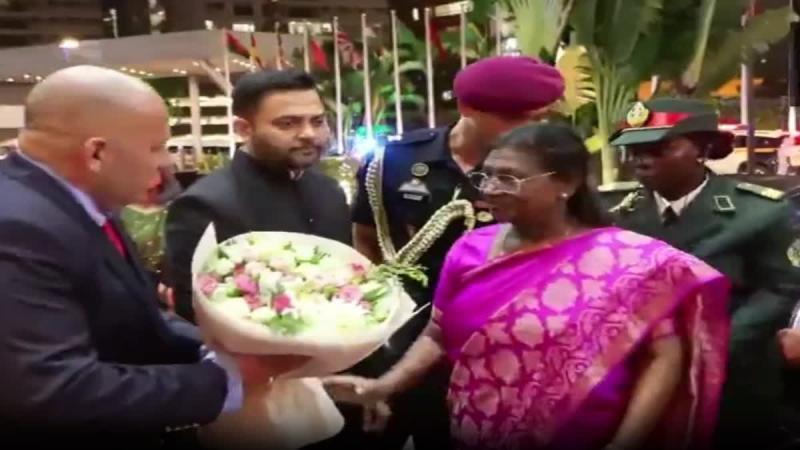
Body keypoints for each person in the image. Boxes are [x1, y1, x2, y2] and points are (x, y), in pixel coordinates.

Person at [326, 123, 731, 450]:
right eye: (487, 175)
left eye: (509, 178)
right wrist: (383, 386)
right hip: (471, 431)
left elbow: (663, 357)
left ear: (566, 183)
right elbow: (437, 332)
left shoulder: (629, 260)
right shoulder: (470, 247)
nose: (489, 188)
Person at [0, 65, 307, 448]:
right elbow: (51, 387)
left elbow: (133, 312)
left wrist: (216, 347)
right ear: (96, 152)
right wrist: (226, 380)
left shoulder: (78, 203)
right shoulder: (19, 226)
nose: (168, 163)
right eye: (156, 147)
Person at [349, 55, 566, 450]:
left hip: (491, 340)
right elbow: (365, 237)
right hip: (400, 331)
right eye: (515, 118)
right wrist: (377, 308)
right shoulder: (395, 162)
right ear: (468, 109)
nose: (529, 129)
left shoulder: (544, 169)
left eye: (538, 118)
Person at [598, 98, 800, 449]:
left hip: (731, 373)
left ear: (703, 148)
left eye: (660, 148)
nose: (642, 159)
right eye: (635, 150)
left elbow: (781, 287)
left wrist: (722, 341)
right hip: (636, 370)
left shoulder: (760, 212)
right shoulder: (610, 211)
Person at [164, 69, 351, 324]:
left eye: (317, 121)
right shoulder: (204, 204)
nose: (309, 133)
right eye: (288, 123)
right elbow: (195, 314)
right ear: (244, 129)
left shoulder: (330, 191)